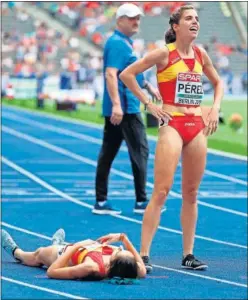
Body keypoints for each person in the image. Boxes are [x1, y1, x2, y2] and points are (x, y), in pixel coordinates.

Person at [120, 5, 223, 272]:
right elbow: (127, 74)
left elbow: (219, 83)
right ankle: (143, 254)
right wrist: (149, 104)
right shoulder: (164, 53)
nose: (195, 22)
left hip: (196, 126)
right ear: (176, 26)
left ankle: (188, 254)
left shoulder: (201, 54)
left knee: (191, 193)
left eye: (197, 19)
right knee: (162, 191)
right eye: (189, 18)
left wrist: (215, 108)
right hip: (173, 125)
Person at [93, 3, 162, 216]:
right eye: (131, 18)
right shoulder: (117, 43)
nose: (136, 22)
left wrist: (146, 85)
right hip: (126, 109)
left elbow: (128, 72)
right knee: (140, 151)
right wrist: (117, 104)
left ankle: (101, 201)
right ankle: (141, 201)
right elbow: (111, 74)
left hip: (124, 107)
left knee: (109, 153)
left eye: (138, 18)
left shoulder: (123, 42)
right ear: (119, 20)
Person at [2, 229, 146, 282]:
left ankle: (16, 252)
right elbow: (143, 269)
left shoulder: (90, 267)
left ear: (111, 263)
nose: (119, 248)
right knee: (55, 247)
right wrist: (124, 238)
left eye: (120, 251)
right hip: (81, 250)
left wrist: (76, 245)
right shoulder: (131, 268)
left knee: (38, 254)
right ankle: (57, 243)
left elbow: (52, 272)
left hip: (63, 254)